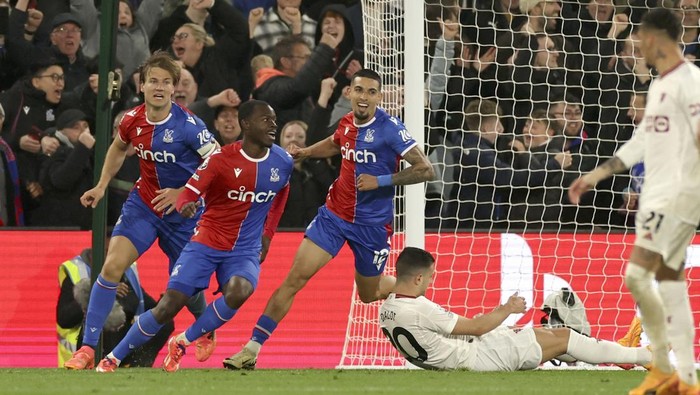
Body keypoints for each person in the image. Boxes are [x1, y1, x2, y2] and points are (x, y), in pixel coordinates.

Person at [223, 68, 435, 370]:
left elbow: (426, 169)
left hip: (372, 227)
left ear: (378, 96)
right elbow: (337, 143)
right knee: (295, 278)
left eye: (371, 92)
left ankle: (399, 285)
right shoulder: (347, 122)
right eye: (359, 90)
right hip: (334, 216)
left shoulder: (390, 129)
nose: (364, 97)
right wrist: (307, 152)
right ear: (349, 92)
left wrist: (382, 181)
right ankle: (251, 349)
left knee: (368, 293)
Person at [94, 100, 293, 373]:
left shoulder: (282, 161)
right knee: (168, 306)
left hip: (244, 249)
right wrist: (186, 202)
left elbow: (281, 193)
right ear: (245, 125)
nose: (273, 125)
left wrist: (268, 235)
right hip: (206, 242)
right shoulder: (220, 160)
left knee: (239, 292)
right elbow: (190, 190)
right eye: (265, 120)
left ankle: (183, 341)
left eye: (274, 120)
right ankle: (113, 358)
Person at [569, 8, 700, 395]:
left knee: (637, 276)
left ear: (658, 38)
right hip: (659, 195)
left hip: (677, 195)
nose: (637, 45)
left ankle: (662, 367)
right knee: (670, 284)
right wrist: (594, 175)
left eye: (640, 37)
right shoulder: (660, 85)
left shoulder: (690, 82)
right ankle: (684, 378)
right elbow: (640, 142)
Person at [64, 52, 219, 370]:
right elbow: (119, 147)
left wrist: (186, 193)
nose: (159, 87)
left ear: (174, 88)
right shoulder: (132, 120)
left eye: (166, 82)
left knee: (184, 288)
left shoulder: (190, 126)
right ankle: (88, 349)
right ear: (142, 85)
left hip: (184, 215)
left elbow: (217, 163)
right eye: (153, 81)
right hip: (145, 206)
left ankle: (205, 328)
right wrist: (101, 185)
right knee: (111, 267)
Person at [378, 247, 652, 371]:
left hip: (468, 352)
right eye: (430, 276)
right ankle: (642, 356)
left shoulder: (388, 306)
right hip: (476, 359)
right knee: (564, 336)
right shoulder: (421, 308)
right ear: (417, 279)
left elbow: (381, 285)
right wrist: (508, 307)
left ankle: (620, 353)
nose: (432, 280)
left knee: (549, 336)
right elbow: (476, 327)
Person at [57, 246, 173, 368]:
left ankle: (138, 364)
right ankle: (96, 360)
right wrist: (102, 292)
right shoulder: (76, 270)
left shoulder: (127, 271)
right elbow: (64, 319)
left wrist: (165, 301)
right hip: (83, 346)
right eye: (109, 251)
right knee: (108, 315)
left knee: (163, 322)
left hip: (123, 349)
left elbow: (144, 303)